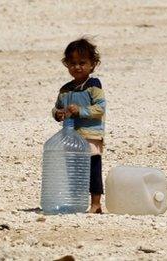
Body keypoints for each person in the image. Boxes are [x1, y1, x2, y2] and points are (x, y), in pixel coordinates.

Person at [52, 38, 106, 214]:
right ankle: (76, 202)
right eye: (73, 63)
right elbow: (57, 108)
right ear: (67, 65)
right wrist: (57, 114)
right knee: (74, 172)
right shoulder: (65, 89)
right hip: (71, 138)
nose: (77, 67)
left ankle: (96, 203)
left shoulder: (93, 86)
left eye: (82, 63)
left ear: (93, 64)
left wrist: (80, 111)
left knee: (93, 170)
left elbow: (100, 108)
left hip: (90, 136)